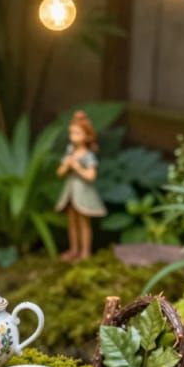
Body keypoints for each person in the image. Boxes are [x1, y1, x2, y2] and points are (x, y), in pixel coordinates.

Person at [55, 110, 107, 261]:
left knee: (84, 222)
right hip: (71, 191)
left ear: (87, 136)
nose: (73, 137)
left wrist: (77, 167)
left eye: (77, 133)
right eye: (72, 133)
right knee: (72, 221)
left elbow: (91, 176)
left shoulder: (87, 155)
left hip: (83, 192)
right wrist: (66, 165)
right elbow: (59, 173)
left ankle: (85, 252)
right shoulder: (70, 152)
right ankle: (74, 249)